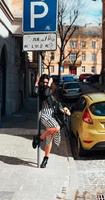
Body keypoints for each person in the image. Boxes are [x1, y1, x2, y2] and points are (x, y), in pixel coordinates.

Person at [33, 74, 70, 168]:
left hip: (52, 116)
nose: (45, 84)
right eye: (44, 82)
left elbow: (56, 104)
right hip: (45, 115)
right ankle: (39, 138)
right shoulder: (42, 90)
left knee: (49, 140)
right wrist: (38, 83)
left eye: (47, 82)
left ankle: (45, 160)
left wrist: (63, 109)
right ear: (41, 82)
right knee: (57, 128)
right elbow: (38, 93)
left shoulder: (50, 91)